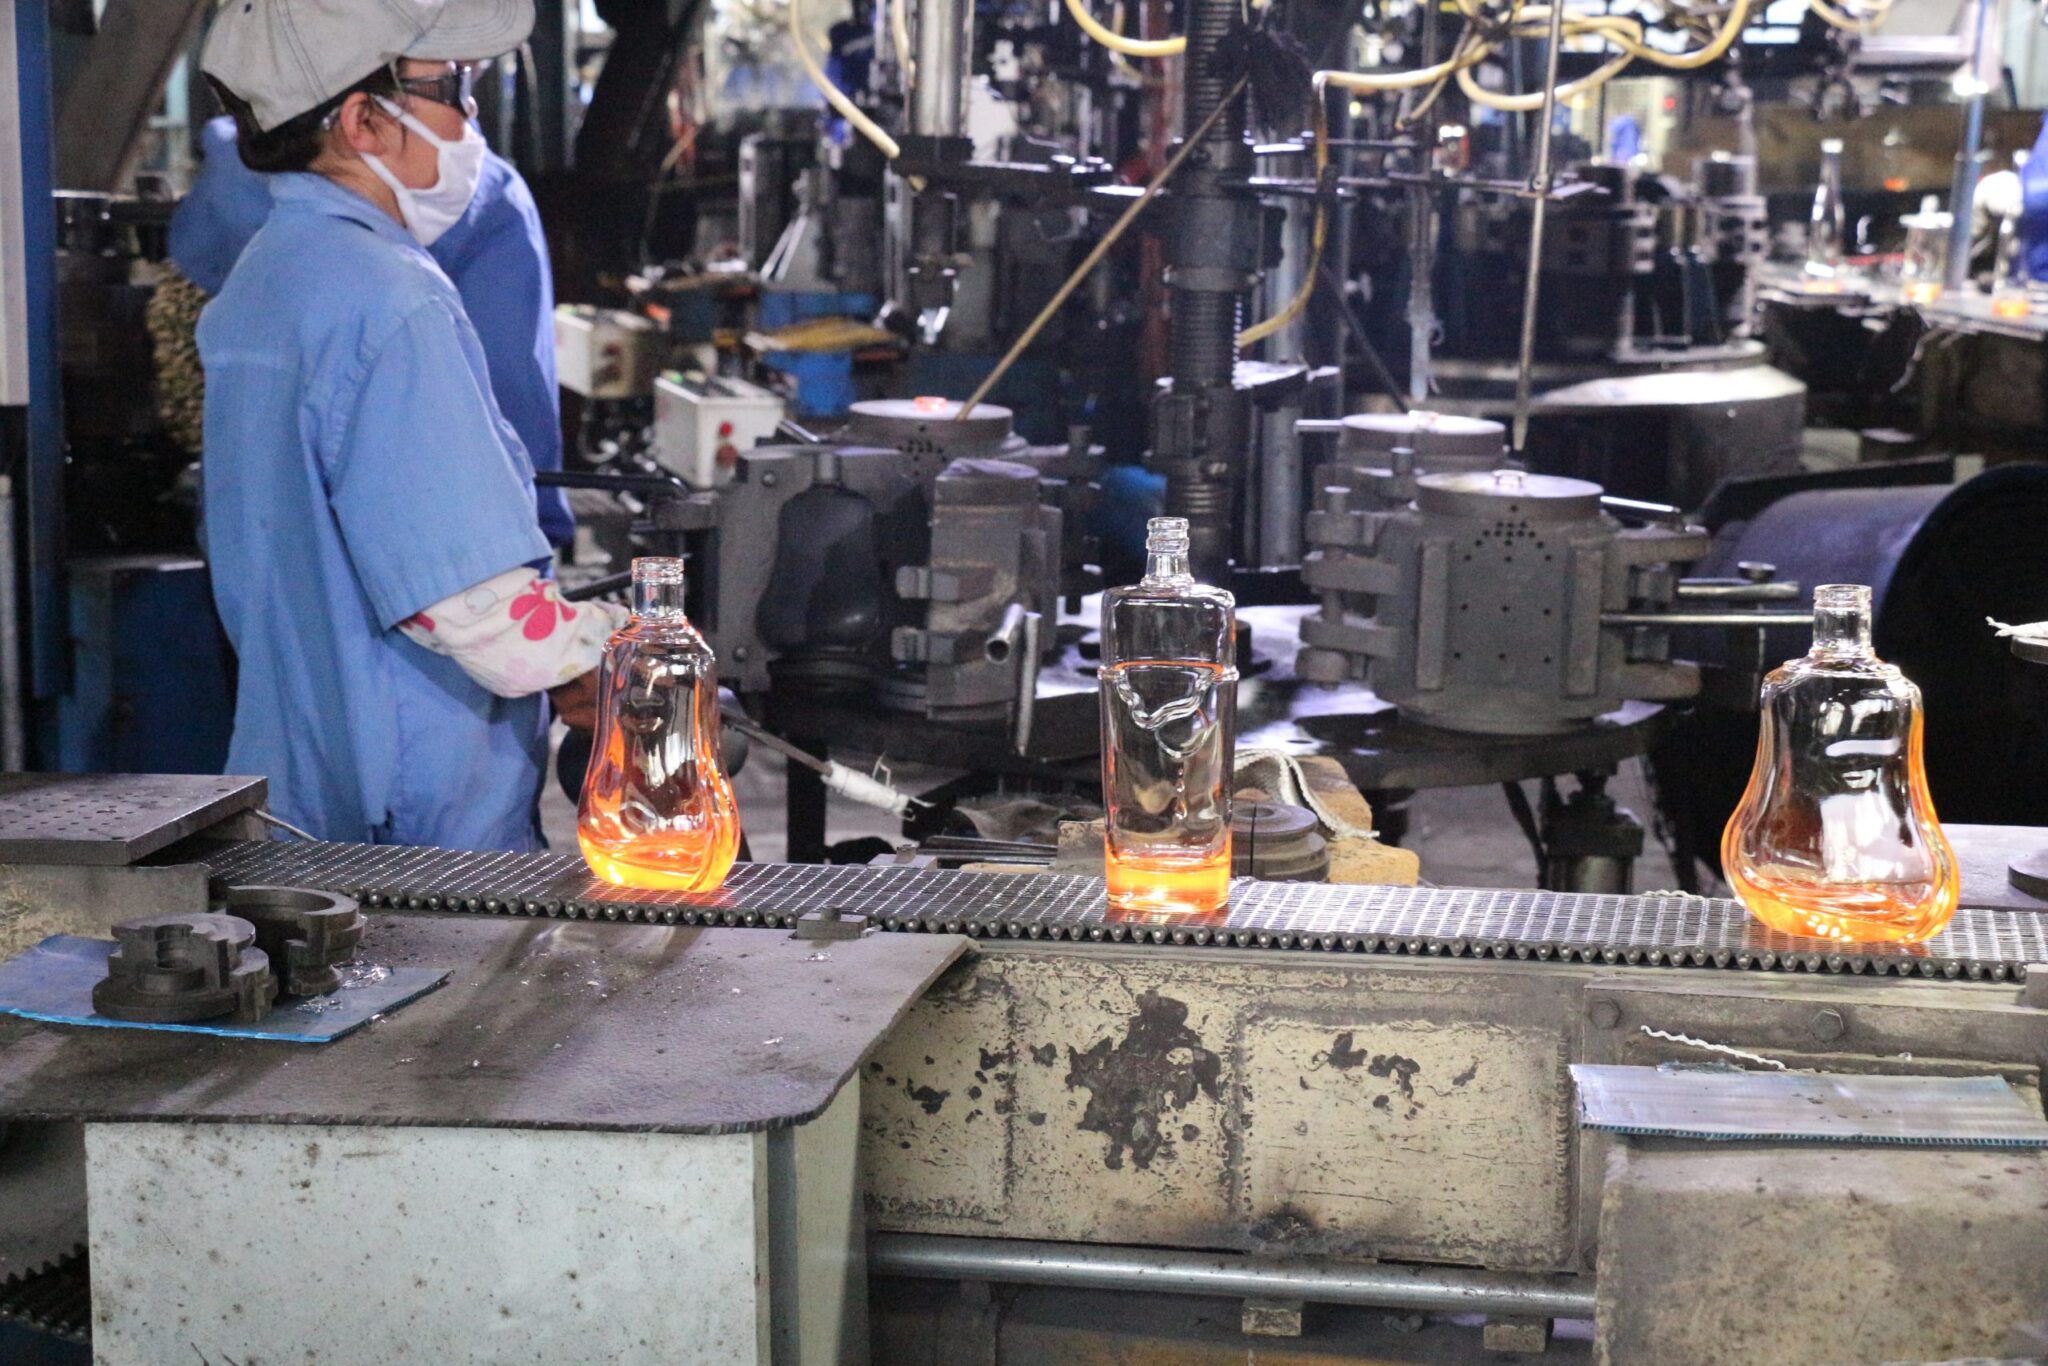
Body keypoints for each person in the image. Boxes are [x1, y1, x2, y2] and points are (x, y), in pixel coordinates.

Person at [199, 0, 620, 850]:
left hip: (301, 790)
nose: (470, 120)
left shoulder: (267, 276)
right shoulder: (392, 299)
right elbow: (476, 607)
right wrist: (612, 653)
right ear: (364, 121)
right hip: (416, 824)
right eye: (452, 89)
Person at [169, 104, 573, 545]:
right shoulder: (479, 205)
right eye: (448, 79)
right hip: (431, 537)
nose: (469, 103)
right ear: (360, 117)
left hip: (249, 532)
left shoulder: (236, 182)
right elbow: (510, 380)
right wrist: (537, 525)